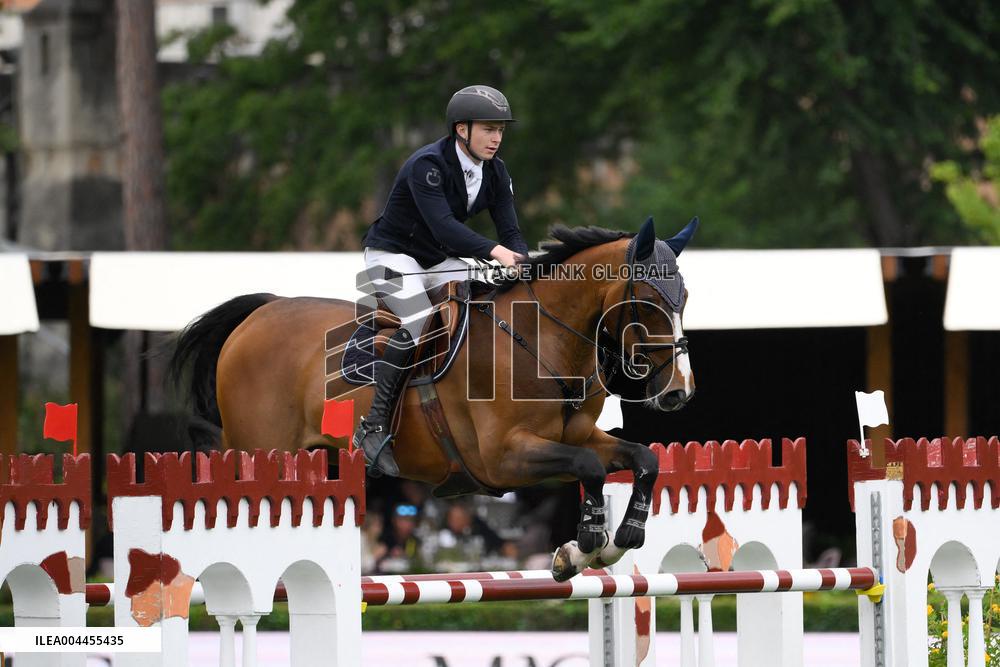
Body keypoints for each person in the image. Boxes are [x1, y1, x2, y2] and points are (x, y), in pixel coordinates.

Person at [354, 85, 530, 477]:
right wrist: (497, 252)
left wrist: (524, 262)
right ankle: (374, 425)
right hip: (391, 255)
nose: (497, 138)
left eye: (500, 129)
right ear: (461, 129)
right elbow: (446, 229)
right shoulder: (427, 165)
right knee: (417, 320)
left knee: (485, 303)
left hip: (434, 259)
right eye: (488, 129)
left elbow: (511, 231)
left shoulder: (497, 172)